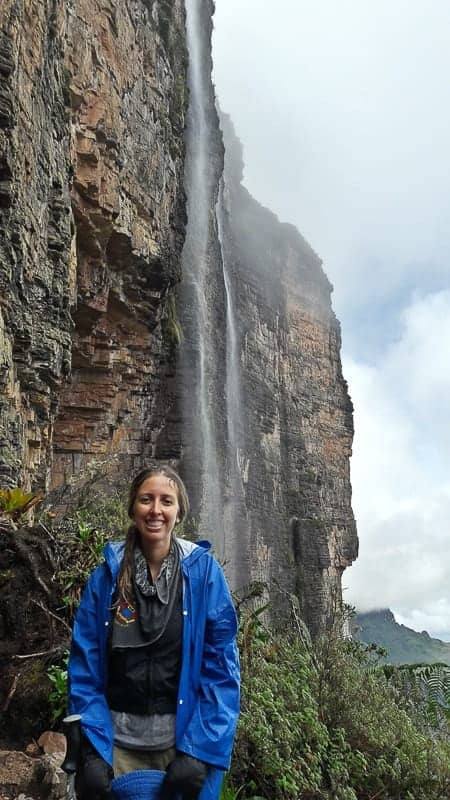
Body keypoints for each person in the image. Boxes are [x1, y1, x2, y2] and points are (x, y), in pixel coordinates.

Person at [67, 465, 240, 800]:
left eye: (166, 501)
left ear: (179, 511)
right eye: (147, 499)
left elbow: (222, 670)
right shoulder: (105, 578)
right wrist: (91, 750)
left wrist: (199, 752)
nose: (156, 510)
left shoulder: (204, 575)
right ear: (133, 508)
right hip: (115, 746)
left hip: (180, 746)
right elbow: (84, 667)